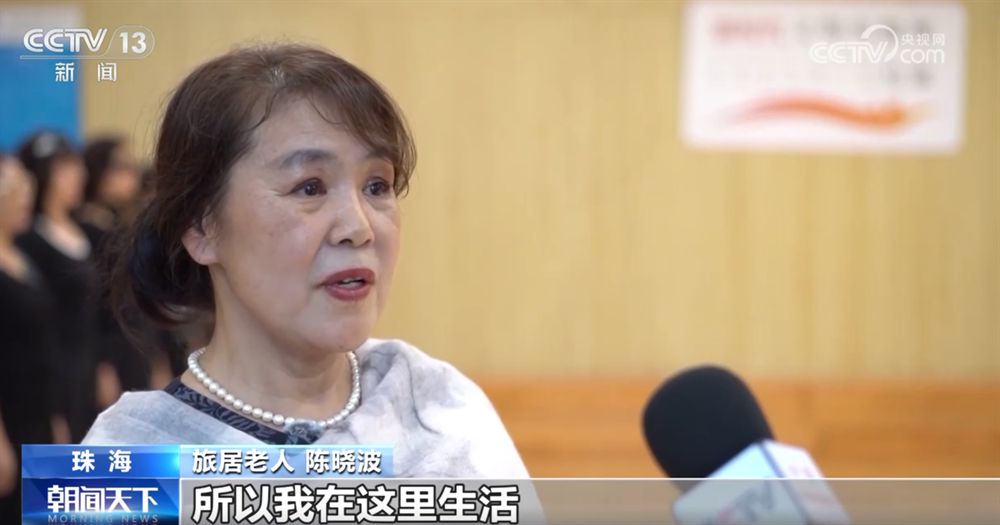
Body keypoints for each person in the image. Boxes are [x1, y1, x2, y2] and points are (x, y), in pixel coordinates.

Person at [83, 43, 529, 478]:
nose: (359, 227)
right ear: (202, 228)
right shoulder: (125, 465)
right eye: (309, 187)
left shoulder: (441, 410)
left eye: (377, 186)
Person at [16, 132, 107, 443]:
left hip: (89, 364)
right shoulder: (28, 241)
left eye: (77, 167)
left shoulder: (86, 232)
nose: (77, 176)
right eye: (65, 169)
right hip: (53, 375)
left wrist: (103, 363)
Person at [0, 154, 66, 523]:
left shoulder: (21, 256)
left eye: (27, 186)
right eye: (14, 188)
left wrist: (54, 415)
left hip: (37, 412)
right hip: (9, 418)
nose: (25, 196)